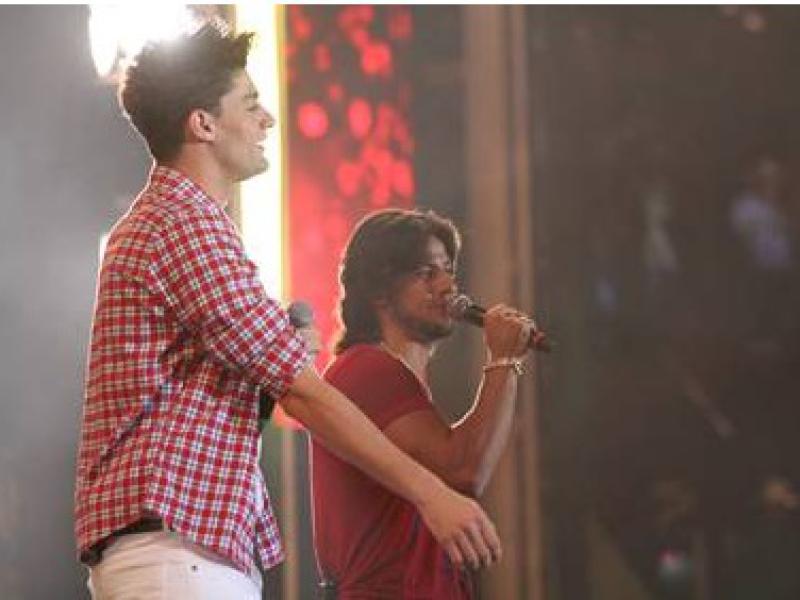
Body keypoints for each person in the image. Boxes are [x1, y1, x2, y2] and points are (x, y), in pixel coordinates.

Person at [74, 22, 500, 599]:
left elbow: (229, 388)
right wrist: (432, 494)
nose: (268, 120)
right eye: (250, 104)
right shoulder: (184, 225)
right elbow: (303, 392)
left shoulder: (178, 222)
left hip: (179, 554)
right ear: (202, 124)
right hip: (176, 558)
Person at [311, 209, 535, 598]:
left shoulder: (396, 378)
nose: (447, 285)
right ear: (380, 290)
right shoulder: (367, 370)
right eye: (426, 273)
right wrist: (503, 360)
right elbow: (463, 469)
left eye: (448, 270)